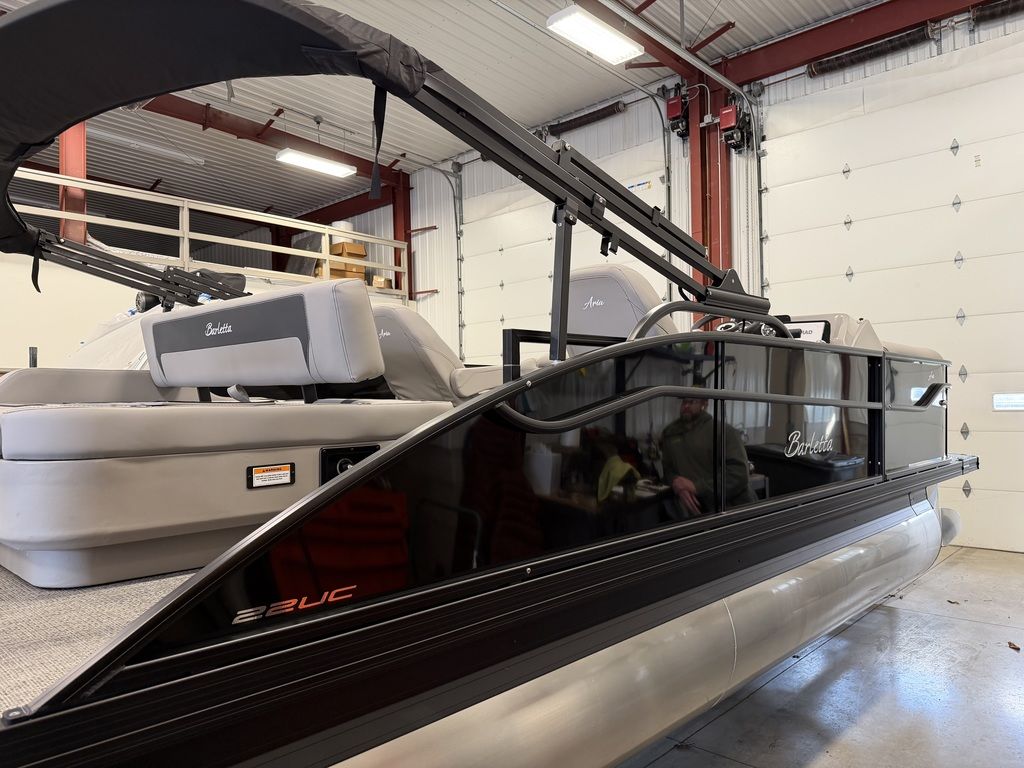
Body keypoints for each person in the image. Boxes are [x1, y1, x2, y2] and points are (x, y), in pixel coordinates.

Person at [661, 395, 756, 518]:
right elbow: (668, 468)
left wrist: (697, 487)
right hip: (698, 512)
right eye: (684, 402)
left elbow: (739, 474)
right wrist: (676, 483)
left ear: (704, 404)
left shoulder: (724, 431)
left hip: (733, 510)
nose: (686, 406)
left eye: (692, 401)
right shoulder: (670, 433)